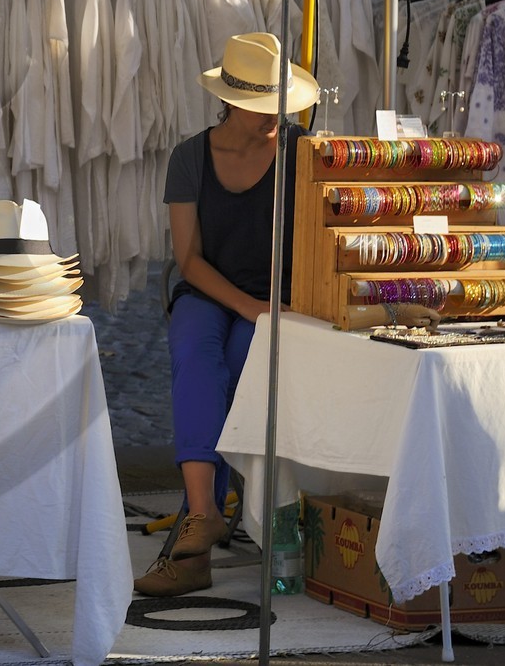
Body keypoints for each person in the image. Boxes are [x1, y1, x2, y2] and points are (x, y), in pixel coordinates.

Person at [134, 32, 318, 598]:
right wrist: (250, 307)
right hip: (211, 293)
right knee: (194, 351)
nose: (274, 117)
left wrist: (271, 309)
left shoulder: (302, 153)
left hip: (277, 302)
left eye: (278, 105)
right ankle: (202, 513)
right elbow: (189, 259)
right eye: (261, 105)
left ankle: (198, 537)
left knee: (241, 362)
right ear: (230, 102)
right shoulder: (190, 158)